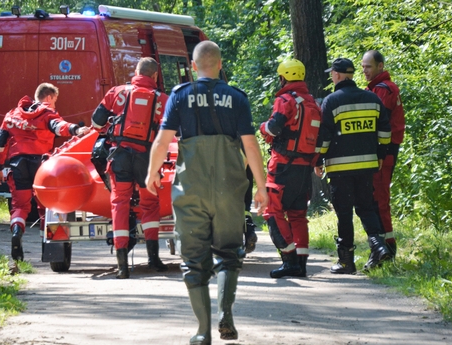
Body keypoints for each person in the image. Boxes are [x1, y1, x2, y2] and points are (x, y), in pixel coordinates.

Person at [146, 41, 268, 345]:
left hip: (191, 188)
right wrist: (262, 188)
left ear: (193, 64)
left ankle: (202, 331)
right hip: (229, 186)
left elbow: (162, 142)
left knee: (192, 259)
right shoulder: (236, 97)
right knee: (229, 253)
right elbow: (250, 146)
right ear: (220, 63)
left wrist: (151, 172)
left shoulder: (180, 95)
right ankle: (226, 315)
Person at [91, 57, 169, 279]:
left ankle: (122, 265)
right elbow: (172, 131)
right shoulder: (163, 99)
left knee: (119, 204)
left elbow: (96, 123)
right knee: (150, 204)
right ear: (154, 76)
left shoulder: (118, 92)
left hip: (120, 156)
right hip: (147, 158)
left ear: (136, 72)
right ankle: (153, 259)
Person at [0, 82, 89, 261]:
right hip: (41, 166)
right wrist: (76, 129)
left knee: (20, 207)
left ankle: (16, 231)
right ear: (49, 97)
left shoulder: (12, 115)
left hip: (17, 164)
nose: (55, 105)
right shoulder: (47, 113)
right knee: (46, 206)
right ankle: (48, 247)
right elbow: (59, 127)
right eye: (55, 101)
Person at [314, 58, 392, 274]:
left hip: (340, 168)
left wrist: (318, 160)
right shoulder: (372, 98)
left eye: (332, 73)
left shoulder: (331, 101)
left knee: (344, 212)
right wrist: (380, 155)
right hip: (367, 165)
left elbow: (325, 136)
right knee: (367, 208)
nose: (331, 76)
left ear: (338, 75)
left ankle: (346, 261)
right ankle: (378, 246)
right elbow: (385, 132)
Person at [259, 59, 322, 278]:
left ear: (283, 77)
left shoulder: (286, 100)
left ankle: (289, 260)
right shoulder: (312, 102)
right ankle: (301, 263)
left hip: (283, 166)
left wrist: (262, 127)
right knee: (297, 214)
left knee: (272, 212)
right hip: (304, 168)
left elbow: (274, 127)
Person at [361, 50, 405, 257]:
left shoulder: (383, 89)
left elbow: (377, 121)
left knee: (378, 198)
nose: (365, 71)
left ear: (380, 66)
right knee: (375, 197)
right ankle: (382, 246)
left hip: (383, 152)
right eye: (362, 66)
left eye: (368, 66)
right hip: (381, 151)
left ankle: (386, 248)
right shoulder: (378, 89)